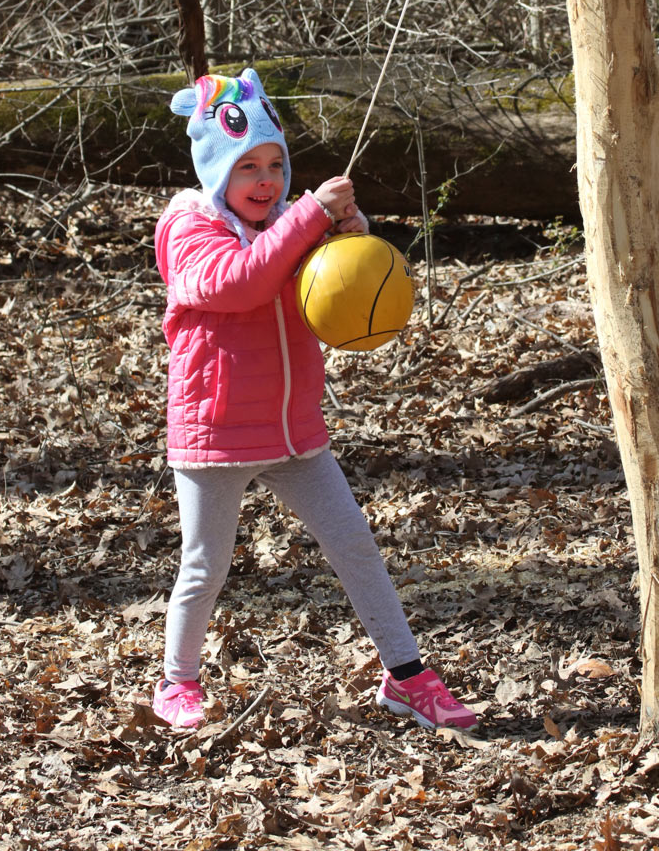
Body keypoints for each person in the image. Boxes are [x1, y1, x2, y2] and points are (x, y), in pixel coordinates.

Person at [151, 67, 477, 733]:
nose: (266, 180)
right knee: (206, 566)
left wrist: (348, 232)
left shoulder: (285, 224)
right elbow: (242, 281)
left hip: (293, 431)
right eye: (247, 167)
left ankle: (407, 676)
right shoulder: (189, 230)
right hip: (216, 432)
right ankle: (178, 681)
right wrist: (308, 216)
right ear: (216, 172)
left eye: (275, 164)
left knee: (355, 545)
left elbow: (336, 282)